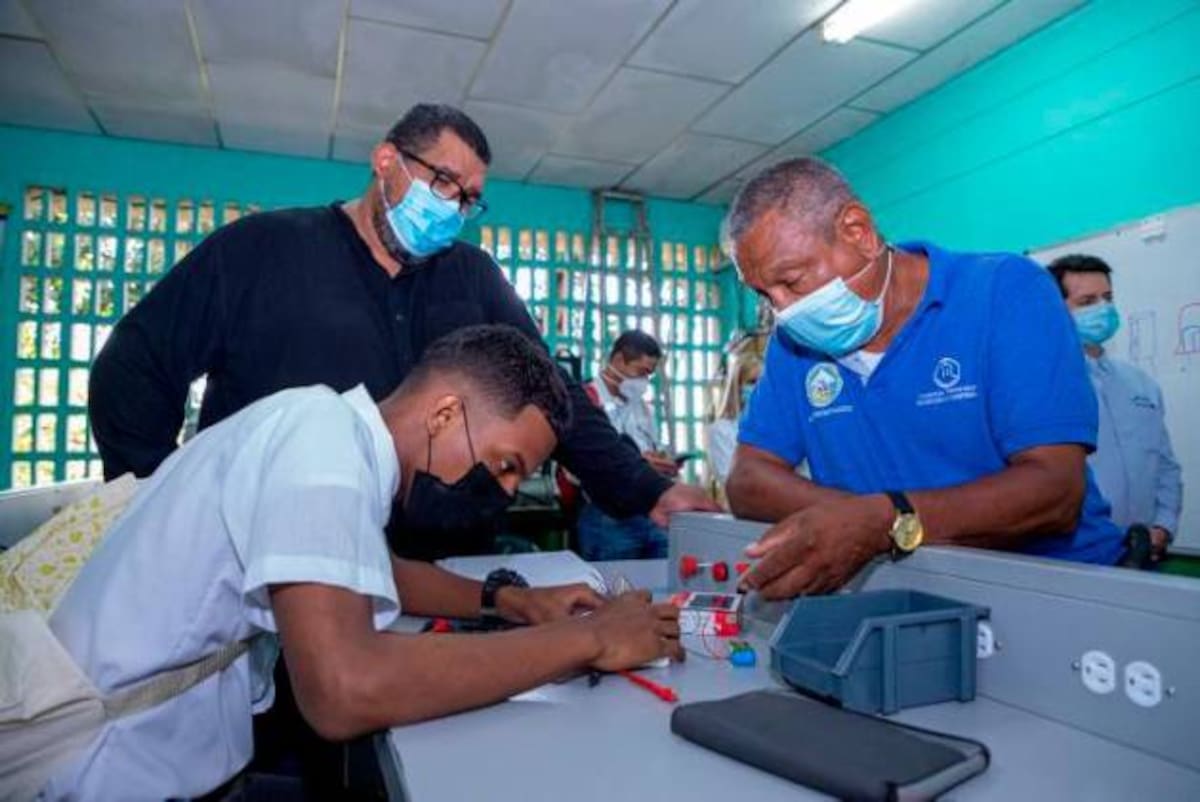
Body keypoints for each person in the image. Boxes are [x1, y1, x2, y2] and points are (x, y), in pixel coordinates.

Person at [36, 325, 683, 799]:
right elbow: (344, 689)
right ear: (446, 412)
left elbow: (368, 571)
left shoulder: (326, 432)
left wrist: (510, 600)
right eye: (506, 464)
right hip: (103, 773)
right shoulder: (321, 443)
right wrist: (590, 639)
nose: (508, 491)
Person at [87, 102, 716, 560]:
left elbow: (553, 393)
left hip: (438, 565)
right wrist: (165, 506)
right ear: (386, 160)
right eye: (443, 182)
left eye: (468, 199)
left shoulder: (473, 277)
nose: (453, 207)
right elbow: (134, 366)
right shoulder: (262, 249)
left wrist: (646, 489)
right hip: (271, 566)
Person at [721, 157, 1125, 600]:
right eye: (765, 294)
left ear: (858, 231)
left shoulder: (1003, 292)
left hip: (1056, 591)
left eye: (792, 281)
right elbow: (747, 480)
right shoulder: (795, 343)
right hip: (903, 592)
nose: (783, 309)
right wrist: (869, 521)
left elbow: (1055, 491)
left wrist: (885, 521)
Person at [1048, 254, 1182, 563]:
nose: (1104, 309)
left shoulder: (1141, 384)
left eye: (1107, 298)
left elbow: (1165, 464)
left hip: (1144, 552)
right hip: (1078, 555)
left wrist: (1163, 527)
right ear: (1056, 311)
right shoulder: (1046, 383)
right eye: (1087, 302)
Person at [575, 331, 678, 560]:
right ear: (619, 360)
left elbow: (649, 447)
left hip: (650, 512)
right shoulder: (586, 401)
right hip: (607, 518)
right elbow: (579, 463)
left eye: (649, 375)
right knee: (615, 581)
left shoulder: (642, 408)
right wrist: (635, 463)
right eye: (641, 372)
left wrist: (660, 462)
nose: (644, 381)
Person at [706, 336, 765, 498]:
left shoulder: (782, 428)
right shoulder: (722, 430)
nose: (759, 389)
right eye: (752, 382)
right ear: (737, 387)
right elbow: (732, 481)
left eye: (764, 383)